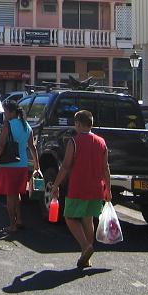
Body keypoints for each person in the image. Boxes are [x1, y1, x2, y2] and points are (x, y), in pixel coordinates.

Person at [50, 109, 111, 268]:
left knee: (69, 217)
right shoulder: (101, 142)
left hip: (78, 187)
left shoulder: (74, 142)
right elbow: (105, 168)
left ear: (78, 124)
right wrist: (108, 189)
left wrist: (55, 185)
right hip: (96, 188)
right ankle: (86, 256)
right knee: (88, 219)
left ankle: (85, 246)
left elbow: (65, 166)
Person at [0, 100, 41, 233]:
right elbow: (32, 147)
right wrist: (37, 165)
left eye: (5, 111)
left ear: (12, 112)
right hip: (22, 165)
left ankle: (12, 225)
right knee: (16, 193)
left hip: (9, 164)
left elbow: (1, 145)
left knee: (10, 196)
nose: (4, 114)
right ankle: (19, 220)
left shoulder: (8, 125)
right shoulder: (26, 125)